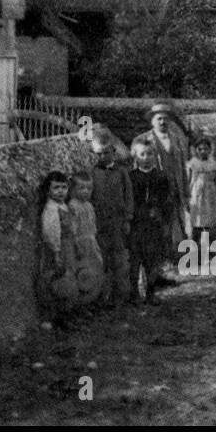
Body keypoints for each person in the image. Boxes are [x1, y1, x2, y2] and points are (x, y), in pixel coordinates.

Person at [136, 102, 192, 254]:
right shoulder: (143, 140)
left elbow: (183, 166)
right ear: (152, 121)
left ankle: (178, 253)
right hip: (156, 188)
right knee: (159, 220)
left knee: (177, 219)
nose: (163, 122)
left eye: (166, 119)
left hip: (176, 187)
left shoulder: (177, 140)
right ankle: (161, 255)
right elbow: (138, 168)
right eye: (159, 118)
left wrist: (186, 191)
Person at [90, 131, 133, 306]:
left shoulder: (121, 172)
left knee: (119, 258)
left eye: (106, 152)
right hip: (99, 222)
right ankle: (101, 295)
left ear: (113, 152)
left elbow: (128, 195)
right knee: (102, 258)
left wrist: (128, 218)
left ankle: (121, 294)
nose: (102, 156)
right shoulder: (92, 173)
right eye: (98, 153)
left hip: (117, 221)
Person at [128, 137, 173, 304]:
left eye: (149, 154)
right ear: (135, 156)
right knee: (134, 259)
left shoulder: (160, 177)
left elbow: (167, 201)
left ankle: (151, 291)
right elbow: (128, 199)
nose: (146, 157)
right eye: (142, 154)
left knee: (152, 259)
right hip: (136, 223)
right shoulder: (131, 177)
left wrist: (164, 218)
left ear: (155, 156)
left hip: (154, 224)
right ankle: (133, 293)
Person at [36, 171, 78, 328]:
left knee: (66, 280)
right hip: (56, 249)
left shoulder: (63, 206)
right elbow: (51, 232)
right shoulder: (51, 210)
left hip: (67, 247)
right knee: (52, 281)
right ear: (48, 191)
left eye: (64, 187)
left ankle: (65, 314)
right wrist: (56, 251)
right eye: (56, 188)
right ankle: (51, 317)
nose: (61, 191)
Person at [67, 171, 105, 307]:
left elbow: (93, 225)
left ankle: (91, 301)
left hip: (91, 242)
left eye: (89, 189)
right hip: (80, 244)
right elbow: (72, 229)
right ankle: (79, 304)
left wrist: (93, 240)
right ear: (73, 189)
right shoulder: (73, 206)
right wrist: (77, 245)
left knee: (94, 270)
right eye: (81, 188)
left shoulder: (88, 206)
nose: (86, 192)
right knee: (81, 273)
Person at [186, 135, 216, 246]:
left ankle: (209, 246)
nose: (203, 151)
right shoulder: (192, 164)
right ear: (195, 150)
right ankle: (195, 246)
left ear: (210, 150)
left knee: (209, 221)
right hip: (196, 194)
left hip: (211, 195)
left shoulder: (214, 165)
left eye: (205, 149)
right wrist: (187, 196)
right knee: (196, 220)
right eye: (200, 149)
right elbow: (188, 181)